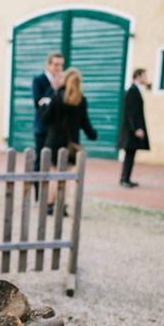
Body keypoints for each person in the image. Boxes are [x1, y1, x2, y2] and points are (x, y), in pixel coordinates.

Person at [41, 67, 97, 215]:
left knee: (53, 175)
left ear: (65, 80)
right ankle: (62, 205)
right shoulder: (81, 100)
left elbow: (46, 119)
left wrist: (43, 106)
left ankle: (49, 204)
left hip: (53, 143)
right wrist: (93, 134)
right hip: (70, 145)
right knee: (66, 177)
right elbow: (86, 124)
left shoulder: (57, 97)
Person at [32, 52, 65, 197]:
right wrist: (52, 87)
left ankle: (53, 195)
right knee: (40, 160)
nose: (58, 68)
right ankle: (39, 194)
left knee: (56, 162)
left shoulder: (64, 80)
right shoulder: (38, 80)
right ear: (48, 65)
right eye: (56, 64)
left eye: (61, 65)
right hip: (42, 128)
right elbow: (37, 102)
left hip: (58, 130)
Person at [117, 68, 150, 187]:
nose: (146, 78)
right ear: (138, 76)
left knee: (131, 155)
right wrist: (136, 129)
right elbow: (130, 113)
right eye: (144, 76)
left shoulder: (136, 90)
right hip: (131, 131)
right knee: (129, 155)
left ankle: (126, 178)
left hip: (132, 130)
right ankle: (124, 179)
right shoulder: (132, 91)